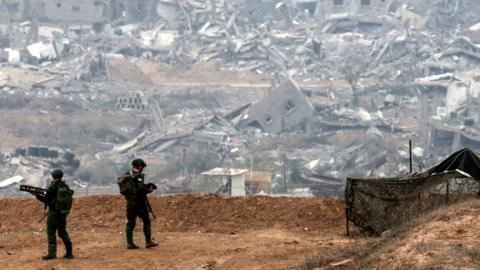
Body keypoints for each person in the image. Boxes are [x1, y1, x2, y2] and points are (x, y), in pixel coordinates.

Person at [32, 169, 74, 260]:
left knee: (51, 233)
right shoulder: (65, 186)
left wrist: (37, 195)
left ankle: (52, 254)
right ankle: (69, 252)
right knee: (63, 232)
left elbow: (46, 199)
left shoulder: (52, 186)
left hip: (54, 214)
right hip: (63, 214)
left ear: (53, 176)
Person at [119, 159, 158, 249]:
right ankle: (148, 242)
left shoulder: (127, 174)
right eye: (142, 167)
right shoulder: (139, 175)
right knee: (146, 221)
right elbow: (140, 187)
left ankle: (130, 244)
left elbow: (134, 186)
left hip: (129, 203)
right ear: (139, 166)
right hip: (139, 203)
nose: (142, 169)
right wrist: (149, 190)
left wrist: (145, 185)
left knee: (130, 223)